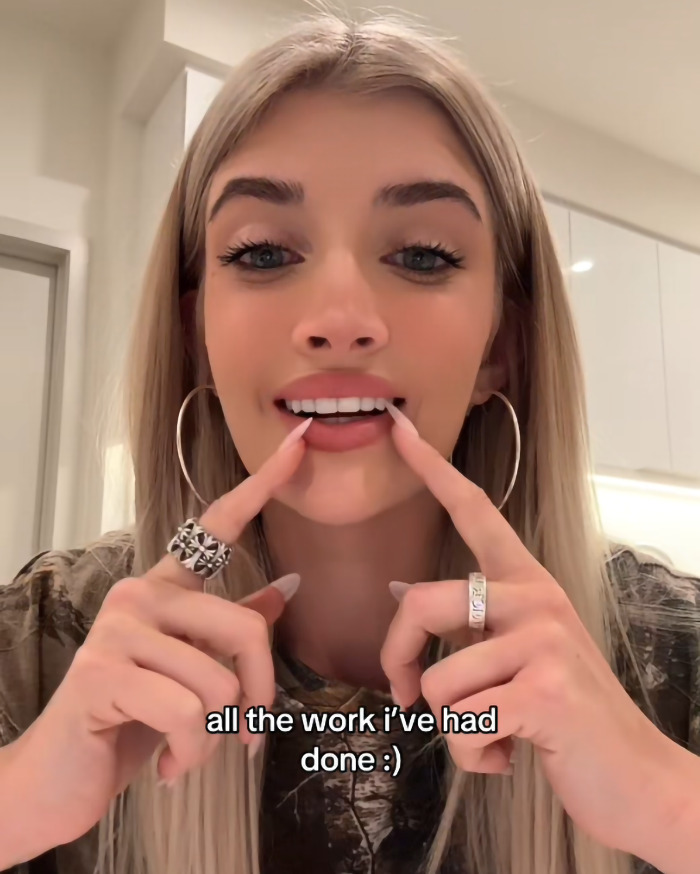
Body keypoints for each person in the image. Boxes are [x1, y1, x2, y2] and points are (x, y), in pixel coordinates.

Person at [0, 8, 699, 874]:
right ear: (197, 337)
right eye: (259, 253)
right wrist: (19, 798)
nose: (339, 321)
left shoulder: (670, 651)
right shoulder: (47, 643)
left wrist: (672, 803)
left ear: (503, 347)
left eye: (422, 255)